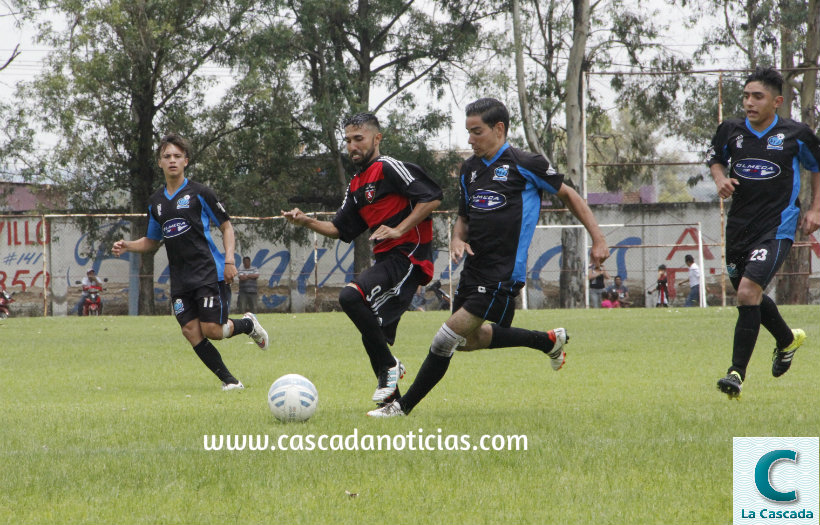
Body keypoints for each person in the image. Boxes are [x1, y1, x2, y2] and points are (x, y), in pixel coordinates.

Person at [368, 97, 608, 417]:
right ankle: (547, 340)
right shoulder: (469, 170)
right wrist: (455, 239)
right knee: (468, 341)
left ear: (499, 129)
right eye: (467, 132)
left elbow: (569, 195)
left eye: (476, 132)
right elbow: (464, 218)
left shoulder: (526, 163)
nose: (470, 140)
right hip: (474, 269)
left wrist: (598, 238)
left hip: (504, 271)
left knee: (445, 339)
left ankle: (401, 407)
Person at [283, 113, 442, 407]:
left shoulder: (389, 167)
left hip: (409, 257)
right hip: (387, 262)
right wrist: (306, 221)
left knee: (350, 297)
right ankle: (390, 405)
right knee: (374, 333)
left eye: (359, 139)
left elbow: (432, 196)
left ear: (376, 138)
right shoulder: (356, 184)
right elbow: (340, 229)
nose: (353, 146)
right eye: (348, 140)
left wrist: (399, 229)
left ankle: (390, 366)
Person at [112, 133, 269, 391]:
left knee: (213, 330)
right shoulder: (156, 203)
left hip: (209, 272)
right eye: (167, 156)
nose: (172, 160)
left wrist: (230, 261)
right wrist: (128, 245)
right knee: (190, 331)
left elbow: (227, 228)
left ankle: (249, 324)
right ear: (160, 162)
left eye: (177, 156)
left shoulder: (200, 193)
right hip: (181, 278)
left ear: (186, 160)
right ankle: (230, 381)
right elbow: (152, 241)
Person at [707, 67, 820, 399]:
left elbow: (816, 167)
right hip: (738, 228)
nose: (749, 103)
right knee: (750, 295)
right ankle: (786, 339)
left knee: (746, 293)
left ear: (777, 101)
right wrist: (720, 179)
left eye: (757, 97)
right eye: (745, 96)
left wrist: (815, 209)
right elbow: (715, 160)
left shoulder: (796, 134)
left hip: (777, 226)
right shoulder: (730, 130)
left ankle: (736, 374)